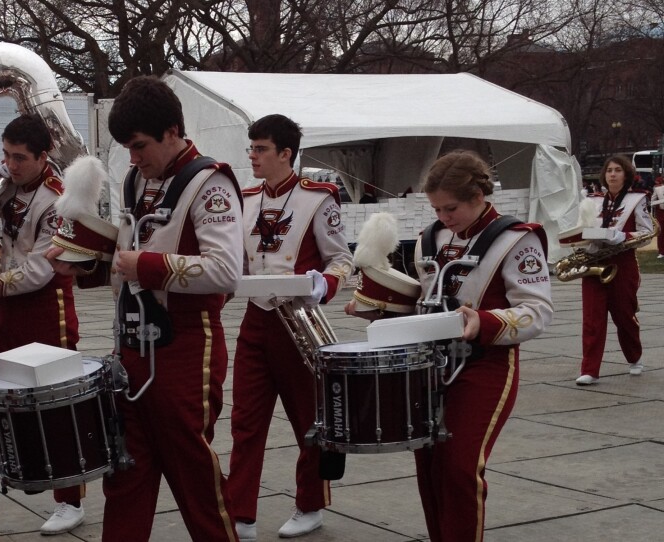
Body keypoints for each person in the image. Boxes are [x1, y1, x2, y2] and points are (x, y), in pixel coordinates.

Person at [46, 75, 243, 541]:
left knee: (194, 475)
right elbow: (127, 262)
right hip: (132, 346)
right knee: (125, 473)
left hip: (186, 345)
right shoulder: (139, 179)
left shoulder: (210, 182)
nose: (132, 159)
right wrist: (90, 270)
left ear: (172, 131)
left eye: (139, 146)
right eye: (127, 150)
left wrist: (145, 266)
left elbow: (226, 271)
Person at [346, 150, 553, 542]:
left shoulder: (516, 239)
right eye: (436, 208)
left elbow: (538, 311)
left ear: (478, 195)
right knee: (429, 467)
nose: (443, 217)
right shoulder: (432, 237)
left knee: (459, 468)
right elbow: (425, 302)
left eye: (451, 207)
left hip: (486, 365)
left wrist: (485, 321)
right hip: (430, 368)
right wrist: (378, 310)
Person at [0, 114, 85, 537]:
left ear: (44, 157)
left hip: (47, 309)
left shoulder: (60, 200)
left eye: (20, 158)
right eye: (6, 155)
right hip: (7, 310)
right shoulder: (2, 186)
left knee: (55, 406)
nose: (10, 165)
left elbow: (37, 272)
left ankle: (70, 501)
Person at [228, 114, 352, 541]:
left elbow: (341, 259)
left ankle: (310, 504)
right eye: (251, 148)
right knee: (245, 422)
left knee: (309, 421)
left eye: (261, 149)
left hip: (299, 320)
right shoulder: (243, 199)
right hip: (255, 320)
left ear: (286, 154)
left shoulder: (319, 198)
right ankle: (240, 512)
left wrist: (324, 284)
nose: (253, 157)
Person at [574, 155, 653, 385]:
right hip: (593, 262)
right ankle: (589, 369)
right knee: (592, 319)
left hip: (623, 263)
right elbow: (582, 228)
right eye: (609, 170)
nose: (612, 174)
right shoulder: (593, 200)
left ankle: (634, 357)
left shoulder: (637, 199)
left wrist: (622, 236)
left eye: (618, 170)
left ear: (626, 174)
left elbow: (647, 233)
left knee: (624, 317)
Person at [652, 173, 664, 258]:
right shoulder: (658, 189)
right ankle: (661, 252)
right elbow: (652, 201)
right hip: (661, 212)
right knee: (661, 233)